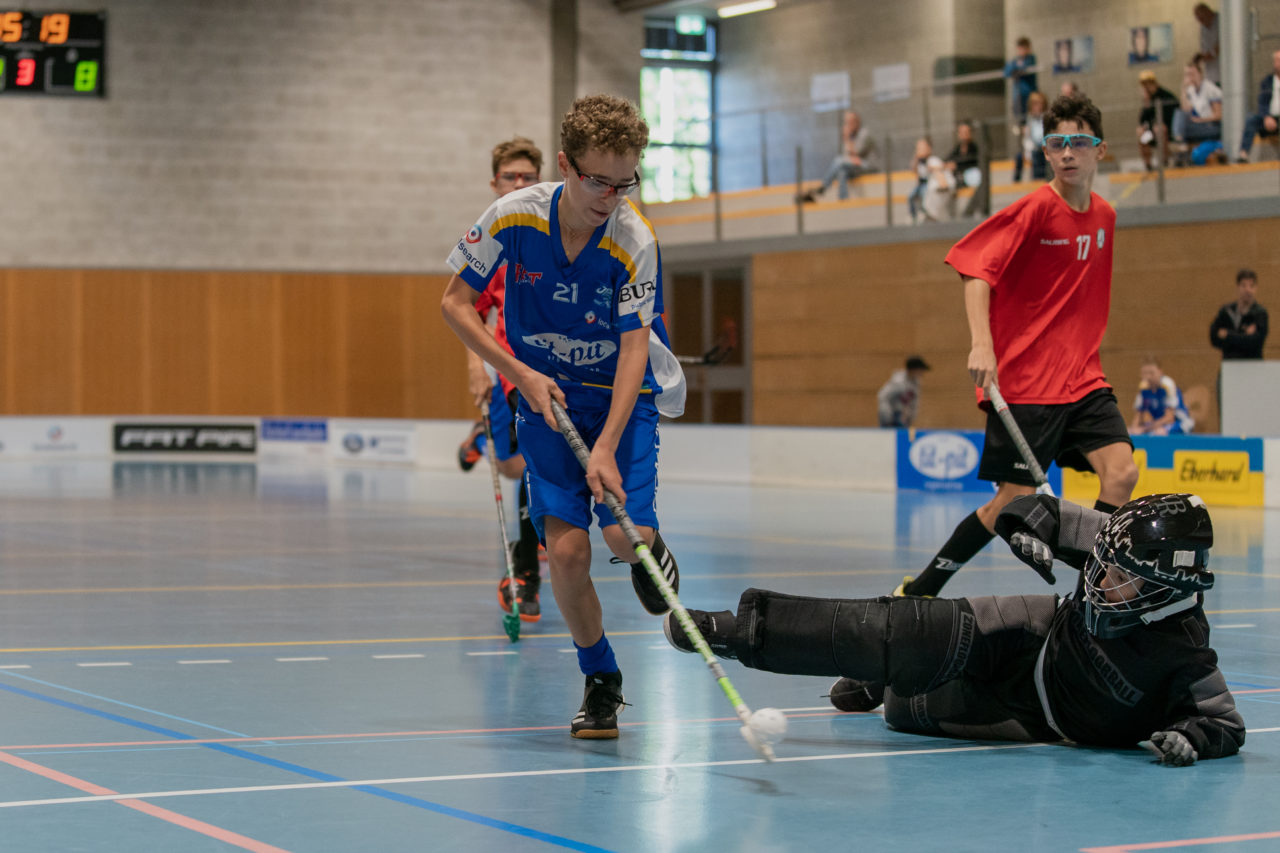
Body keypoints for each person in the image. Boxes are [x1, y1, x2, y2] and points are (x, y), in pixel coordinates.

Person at [664, 493, 1246, 767]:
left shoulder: (1187, 656)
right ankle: (737, 630)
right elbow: (1031, 508)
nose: (1101, 578)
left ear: (1166, 586)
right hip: (1036, 630)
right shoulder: (1115, 537)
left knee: (903, 710)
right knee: (907, 628)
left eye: (1119, 576)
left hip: (1041, 720)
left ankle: (880, 682)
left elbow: (1224, 722)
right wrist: (1031, 533)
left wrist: (1192, 739)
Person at [442, 94, 686, 740]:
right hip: (543, 402)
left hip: (619, 404)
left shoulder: (634, 239)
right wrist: (517, 372)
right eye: (596, 179)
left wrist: (606, 443)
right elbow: (455, 304)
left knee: (618, 536)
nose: (610, 195)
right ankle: (602, 679)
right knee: (569, 554)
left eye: (624, 180)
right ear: (564, 164)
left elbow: (636, 347)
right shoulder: (511, 219)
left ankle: (649, 546)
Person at [903, 93, 1139, 599]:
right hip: (1027, 385)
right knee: (1008, 505)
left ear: (1101, 150)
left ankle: (1093, 590)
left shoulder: (1106, 218)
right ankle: (922, 589)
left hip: (1083, 379)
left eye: (1079, 142)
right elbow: (974, 268)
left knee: (1121, 472)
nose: (1068, 153)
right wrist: (982, 344)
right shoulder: (1034, 210)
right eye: (1057, 144)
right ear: (1047, 153)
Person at [452, 136, 547, 622]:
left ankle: (524, 573)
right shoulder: (491, 238)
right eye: (510, 177)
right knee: (514, 470)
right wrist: (476, 367)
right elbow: (469, 308)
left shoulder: (554, 229)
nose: (519, 184)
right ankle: (481, 435)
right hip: (509, 371)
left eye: (528, 177)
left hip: (549, 373)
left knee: (531, 470)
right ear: (495, 184)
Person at [800, 110, 879, 202]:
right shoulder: (851, 137)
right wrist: (848, 142)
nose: (847, 125)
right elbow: (849, 157)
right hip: (855, 166)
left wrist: (847, 139)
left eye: (849, 122)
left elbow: (855, 154)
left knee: (839, 161)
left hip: (868, 166)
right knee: (841, 172)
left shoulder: (864, 133)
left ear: (856, 122)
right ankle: (843, 200)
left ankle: (823, 187)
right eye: (846, 122)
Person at [1172, 57, 1222, 165]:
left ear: (1200, 74)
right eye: (1187, 75)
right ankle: (1181, 144)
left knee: (1181, 117)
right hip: (1198, 126)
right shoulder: (1191, 91)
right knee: (1179, 113)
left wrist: (1201, 120)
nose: (1190, 77)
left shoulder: (1209, 88)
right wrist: (1183, 89)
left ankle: (1181, 146)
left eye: (1192, 74)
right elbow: (1185, 110)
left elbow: (1218, 115)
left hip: (1212, 126)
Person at [1210, 269, 1268, 360]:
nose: (1247, 290)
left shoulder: (1260, 314)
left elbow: (1256, 342)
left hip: (1253, 365)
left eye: (1251, 286)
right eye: (1244, 286)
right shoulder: (1226, 311)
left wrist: (1228, 335)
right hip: (1230, 364)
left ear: (1256, 288)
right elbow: (1214, 338)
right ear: (1238, 287)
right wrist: (1244, 336)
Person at [1131, 357, 1195, 436]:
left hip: (1180, 422)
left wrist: (1145, 429)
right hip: (1158, 423)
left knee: (1158, 432)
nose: (1148, 377)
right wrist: (1134, 429)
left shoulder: (1167, 385)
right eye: (1145, 373)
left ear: (1160, 372)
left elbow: (1169, 418)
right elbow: (1139, 415)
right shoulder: (1143, 388)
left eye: (1151, 373)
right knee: (1130, 431)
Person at [1236, 49, 1280, 163]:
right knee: (1251, 119)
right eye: (1276, 60)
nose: (1278, 63)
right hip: (1269, 118)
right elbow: (1262, 102)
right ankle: (1243, 154)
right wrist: (1266, 116)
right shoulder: (1267, 81)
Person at [1137, 70, 1179, 170]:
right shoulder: (1148, 100)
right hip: (1152, 135)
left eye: (1149, 84)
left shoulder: (1166, 96)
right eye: (1144, 85)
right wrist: (1146, 104)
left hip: (1168, 132)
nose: (1147, 87)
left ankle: (1165, 160)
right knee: (1141, 133)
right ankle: (1148, 164)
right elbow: (1142, 121)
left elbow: (1171, 117)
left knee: (1159, 128)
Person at [877, 355, 930, 427]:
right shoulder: (898, 382)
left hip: (903, 417)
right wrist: (886, 415)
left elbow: (914, 402)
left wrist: (911, 417)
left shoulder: (915, 384)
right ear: (914, 369)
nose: (922, 373)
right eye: (921, 369)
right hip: (892, 416)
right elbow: (883, 396)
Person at [944, 121, 982, 218]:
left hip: (970, 176)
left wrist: (957, 165)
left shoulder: (975, 148)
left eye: (966, 132)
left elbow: (973, 161)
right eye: (961, 132)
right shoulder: (957, 148)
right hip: (958, 177)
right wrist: (950, 165)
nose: (964, 135)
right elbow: (947, 159)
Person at [907, 137, 948, 223]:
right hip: (920, 184)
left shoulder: (931, 160)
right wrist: (916, 158)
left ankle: (924, 212)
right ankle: (913, 215)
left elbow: (938, 168)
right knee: (911, 196)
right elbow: (913, 169)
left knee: (924, 195)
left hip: (928, 184)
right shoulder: (918, 162)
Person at [1013, 91, 1048, 182]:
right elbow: (1028, 139)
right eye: (1034, 104)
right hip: (1035, 151)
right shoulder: (1029, 119)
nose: (1036, 106)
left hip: (1047, 150)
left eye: (1039, 103)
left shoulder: (1047, 117)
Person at [1004, 37, 1039, 124]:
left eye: (1024, 48)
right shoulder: (1015, 60)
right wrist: (1016, 68)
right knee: (1019, 115)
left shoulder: (1031, 59)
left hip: (1029, 93)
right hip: (1018, 94)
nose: (1022, 51)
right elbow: (1007, 71)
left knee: (1032, 114)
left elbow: (1024, 69)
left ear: (1028, 48)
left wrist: (1016, 69)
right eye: (1020, 48)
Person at [1194, 3, 1220, 84]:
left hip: (1223, 74)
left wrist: (1208, 56)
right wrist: (1201, 57)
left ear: (1208, 12)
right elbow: (1204, 50)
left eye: (1202, 18)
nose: (1201, 22)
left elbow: (1219, 48)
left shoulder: (1221, 21)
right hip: (1210, 76)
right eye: (1199, 20)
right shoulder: (1203, 28)